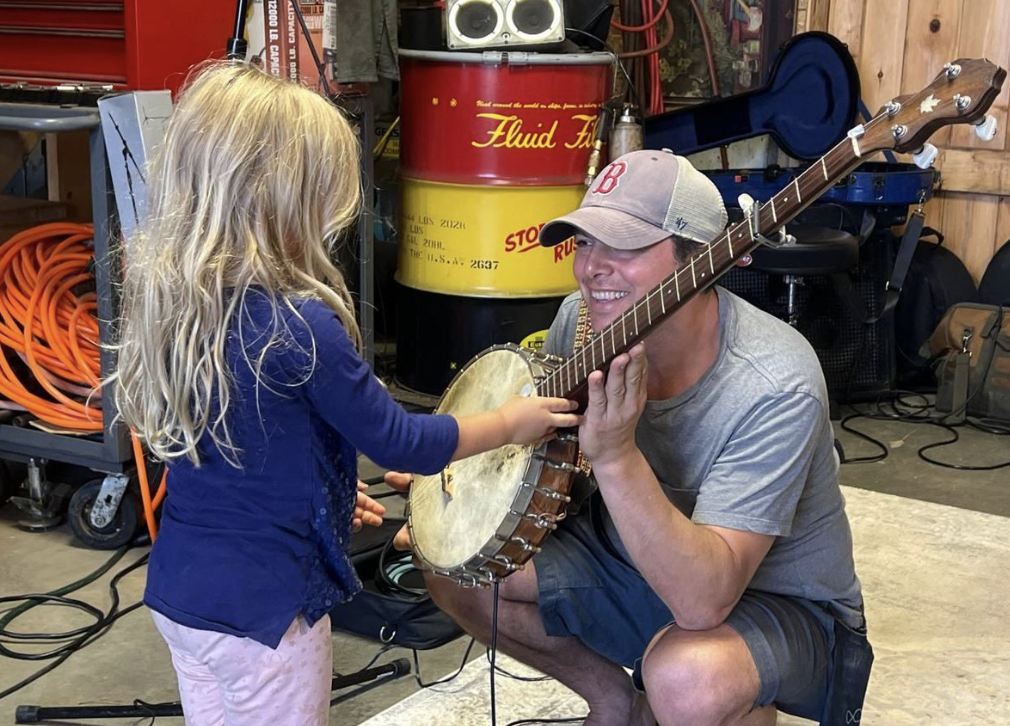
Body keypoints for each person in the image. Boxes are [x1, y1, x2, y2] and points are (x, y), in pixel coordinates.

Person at [112, 62, 580, 726]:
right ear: (287, 199)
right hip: (268, 618)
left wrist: (324, 492)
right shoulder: (301, 326)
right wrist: (510, 420)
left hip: (185, 597)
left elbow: (243, 450)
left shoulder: (181, 305)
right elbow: (405, 443)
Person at [415, 149, 867, 725]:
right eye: (583, 243)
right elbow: (544, 454)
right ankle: (614, 704)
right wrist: (465, 481)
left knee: (687, 678)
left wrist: (616, 454)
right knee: (458, 566)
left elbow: (705, 601)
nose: (592, 268)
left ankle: (737, 704)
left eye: (624, 246)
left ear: (698, 260)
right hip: (635, 556)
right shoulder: (580, 321)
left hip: (773, 600)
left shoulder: (774, 382)